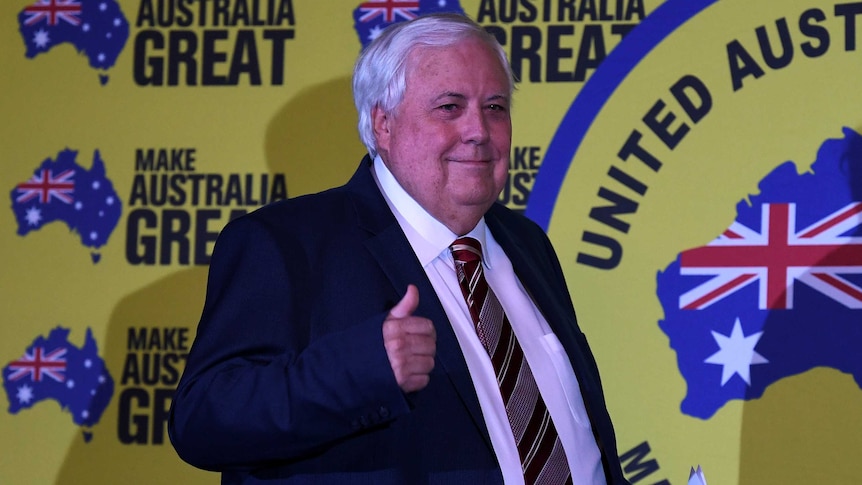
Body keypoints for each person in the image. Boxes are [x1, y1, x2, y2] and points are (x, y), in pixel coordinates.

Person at [168, 13, 630, 485]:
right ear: (383, 124)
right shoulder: (285, 244)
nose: (479, 131)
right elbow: (201, 421)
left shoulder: (528, 245)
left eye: (495, 107)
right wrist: (360, 370)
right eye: (450, 107)